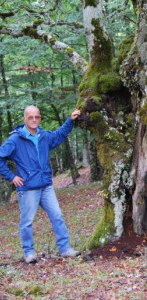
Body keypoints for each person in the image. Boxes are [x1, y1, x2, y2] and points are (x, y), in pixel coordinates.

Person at [0, 105, 81, 264]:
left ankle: (65, 248)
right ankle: (29, 253)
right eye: (30, 117)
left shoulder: (43, 135)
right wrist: (11, 177)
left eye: (37, 117)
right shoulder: (16, 139)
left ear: (40, 118)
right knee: (27, 221)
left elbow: (59, 135)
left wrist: (70, 121)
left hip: (46, 186)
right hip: (28, 188)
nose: (34, 120)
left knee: (57, 215)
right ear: (24, 119)